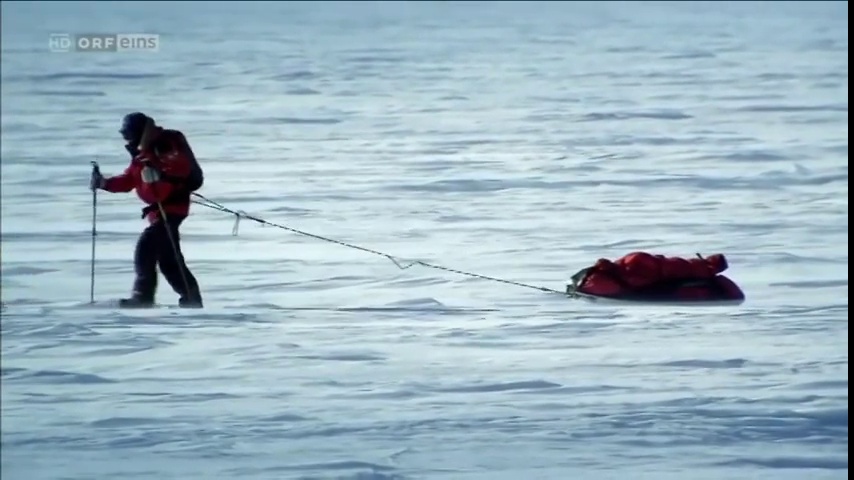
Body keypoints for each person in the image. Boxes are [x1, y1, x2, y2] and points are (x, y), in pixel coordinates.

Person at [90, 112, 204, 308]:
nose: (126, 139)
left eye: (128, 134)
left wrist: (159, 173)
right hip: (159, 211)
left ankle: (143, 297)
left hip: (171, 208)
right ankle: (191, 299)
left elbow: (180, 167)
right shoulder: (143, 152)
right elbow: (129, 179)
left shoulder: (163, 143)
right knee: (169, 259)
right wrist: (104, 183)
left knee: (146, 248)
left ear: (138, 132)